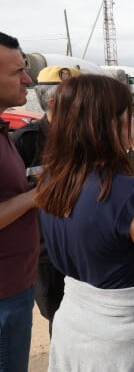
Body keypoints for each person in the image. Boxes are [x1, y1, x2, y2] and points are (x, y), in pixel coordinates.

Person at [35, 74, 134, 371]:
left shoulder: (50, 181)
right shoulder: (127, 192)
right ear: (109, 122)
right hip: (126, 338)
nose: (133, 121)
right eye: (128, 114)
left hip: (73, 324)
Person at [12, 65, 81, 337]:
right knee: (58, 317)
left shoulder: (88, 138)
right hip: (45, 251)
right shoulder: (25, 141)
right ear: (54, 101)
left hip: (85, 244)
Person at [0, 31, 39, 372]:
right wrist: (37, 195)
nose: (27, 78)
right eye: (17, 71)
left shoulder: (4, 130)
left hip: (16, 286)